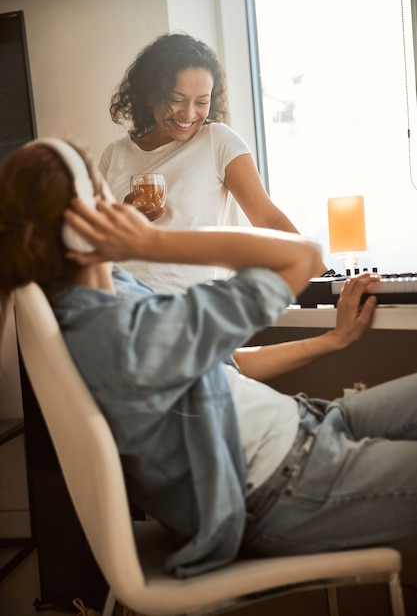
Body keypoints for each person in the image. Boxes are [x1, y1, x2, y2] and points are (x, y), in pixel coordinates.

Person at [1, 139, 417, 583]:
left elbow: (222, 364)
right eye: (104, 197)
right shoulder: (122, 334)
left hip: (313, 424)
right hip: (288, 485)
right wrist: (154, 241)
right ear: (81, 230)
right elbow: (303, 256)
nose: (118, 207)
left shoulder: (109, 293)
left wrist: (333, 341)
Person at [99, 32, 328, 291]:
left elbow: (268, 219)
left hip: (180, 308)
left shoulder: (216, 141)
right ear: (151, 94)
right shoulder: (114, 154)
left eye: (202, 102)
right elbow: (92, 246)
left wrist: (327, 282)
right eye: (176, 100)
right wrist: (122, 220)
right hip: (113, 303)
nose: (189, 113)